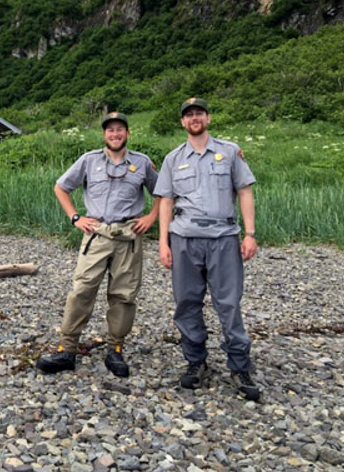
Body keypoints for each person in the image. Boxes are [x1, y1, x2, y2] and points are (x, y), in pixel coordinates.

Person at [37, 112, 160, 378]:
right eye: (110, 130)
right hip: (96, 235)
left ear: (128, 134)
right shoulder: (88, 160)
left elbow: (162, 192)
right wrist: (75, 218)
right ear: (104, 134)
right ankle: (66, 349)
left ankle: (115, 350)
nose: (115, 134)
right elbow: (61, 187)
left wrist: (152, 217)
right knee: (82, 290)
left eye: (120, 130)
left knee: (124, 296)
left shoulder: (142, 163)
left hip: (128, 238)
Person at [154, 97, 260, 401]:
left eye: (199, 113)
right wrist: (163, 243)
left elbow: (245, 191)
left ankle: (240, 366)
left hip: (224, 236)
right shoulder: (173, 158)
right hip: (184, 238)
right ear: (183, 123)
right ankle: (195, 361)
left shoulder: (229, 152)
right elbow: (165, 202)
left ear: (208, 118)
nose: (194, 118)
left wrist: (250, 234)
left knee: (228, 303)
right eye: (188, 115)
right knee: (186, 302)